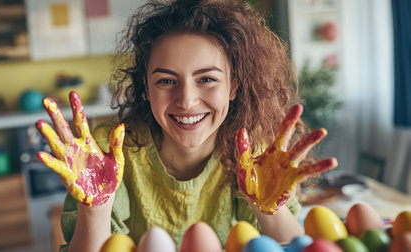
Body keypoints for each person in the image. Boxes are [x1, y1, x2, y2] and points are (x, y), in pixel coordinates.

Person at [36, 0, 338, 251]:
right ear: (146, 87)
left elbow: (290, 245)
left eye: (207, 79)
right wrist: (96, 209)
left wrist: (268, 208)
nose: (187, 101)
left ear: (233, 86)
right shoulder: (109, 152)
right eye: (166, 81)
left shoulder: (252, 151)